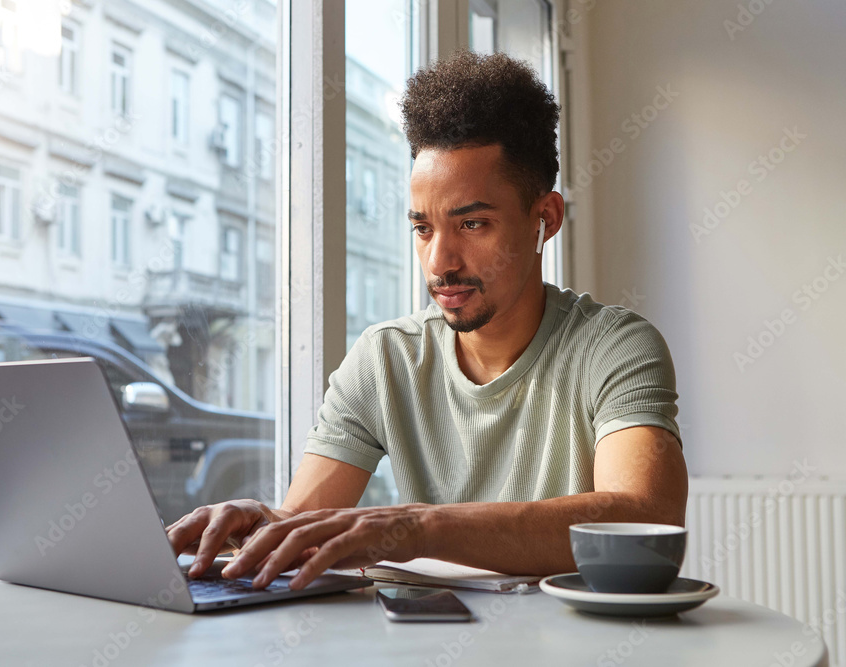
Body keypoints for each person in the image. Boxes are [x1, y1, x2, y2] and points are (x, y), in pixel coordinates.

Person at [166, 49, 688, 591]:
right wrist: (258, 526)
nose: (440, 262)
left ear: (545, 218)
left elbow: (643, 522)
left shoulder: (615, 347)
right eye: (422, 228)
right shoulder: (385, 359)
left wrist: (418, 528)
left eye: (473, 224)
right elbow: (304, 528)